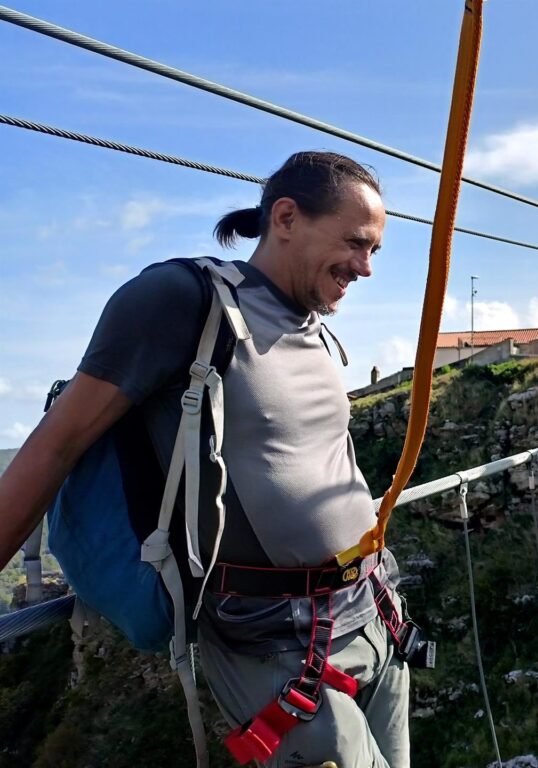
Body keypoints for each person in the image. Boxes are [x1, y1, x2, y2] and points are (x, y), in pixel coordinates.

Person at [0, 151, 408, 768]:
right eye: (356, 243)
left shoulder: (313, 326)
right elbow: (58, 442)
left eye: (373, 250)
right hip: (277, 646)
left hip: (373, 613)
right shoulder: (183, 301)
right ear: (287, 217)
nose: (366, 267)